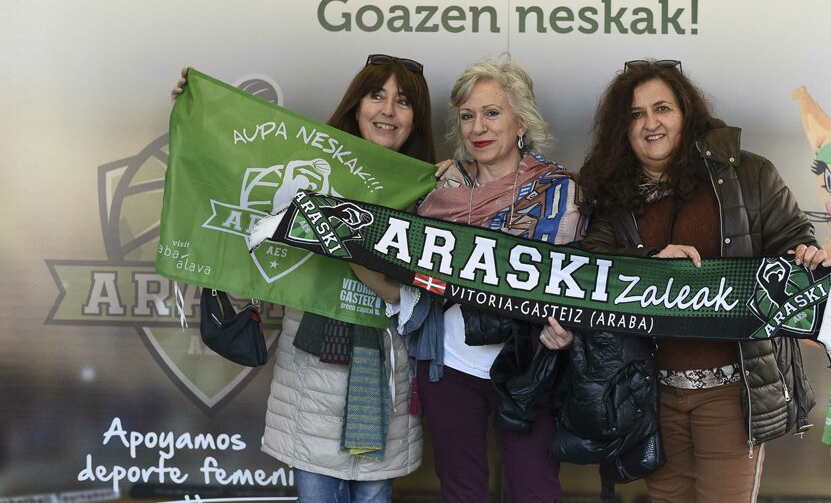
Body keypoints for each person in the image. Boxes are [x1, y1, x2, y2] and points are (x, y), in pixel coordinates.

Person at [171, 55, 434, 503]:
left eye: (403, 101)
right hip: (311, 383)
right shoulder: (310, 170)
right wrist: (198, 116)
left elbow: (415, 300)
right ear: (356, 106)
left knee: (375, 494)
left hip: (386, 380)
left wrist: (348, 247)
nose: (388, 110)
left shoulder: (430, 193)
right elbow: (236, 195)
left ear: (416, 119)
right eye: (377, 95)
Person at [579, 59, 827, 502]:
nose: (650, 124)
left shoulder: (749, 173)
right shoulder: (615, 195)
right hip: (654, 394)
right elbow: (590, 264)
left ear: (686, 113)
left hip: (733, 391)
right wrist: (651, 259)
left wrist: (805, 256)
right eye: (636, 115)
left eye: (662, 109)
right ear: (623, 128)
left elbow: (795, 241)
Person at [398, 58, 585, 503]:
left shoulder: (559, 190)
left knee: (535, 490)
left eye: (492, 113)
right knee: (461, 491)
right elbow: (408, 260)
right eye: (467, 115)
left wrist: (565, 331)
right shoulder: (442, 187)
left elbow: (570, 279)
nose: (477, 126)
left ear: (521, 121)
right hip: (450, 364)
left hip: (529, 363)